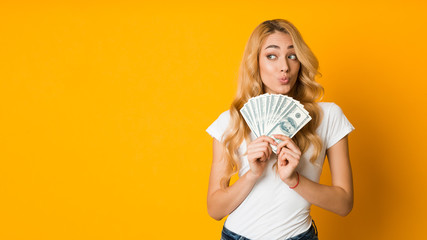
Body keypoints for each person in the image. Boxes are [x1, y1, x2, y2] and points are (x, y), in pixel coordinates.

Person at [206, 19, 355, 240]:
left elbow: (344, 204)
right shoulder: (231, 121)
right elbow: (215, 209)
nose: (284, 66)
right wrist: (252, 175)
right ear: (255, 62)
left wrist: (294, 179)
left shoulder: (329, 116)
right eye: (271, 56)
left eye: (292, 55)